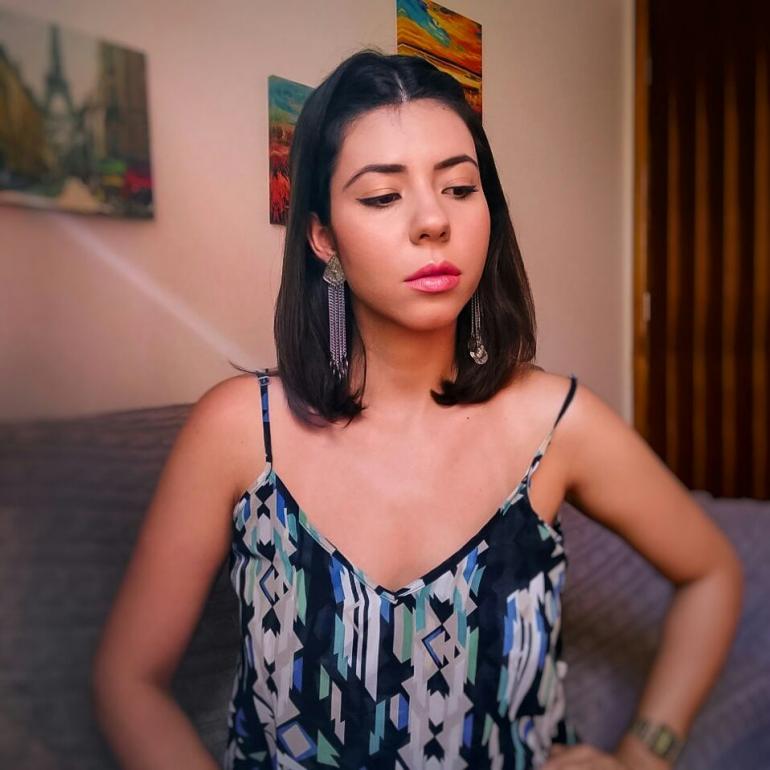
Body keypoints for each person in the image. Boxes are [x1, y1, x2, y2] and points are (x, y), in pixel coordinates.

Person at [90, 49, 744, 770]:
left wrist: (645, 754)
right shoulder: (241, 430)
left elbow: (712, 573)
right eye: (382, 196)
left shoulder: (558, 423)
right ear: (322, 236)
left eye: (460, 187)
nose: (433, 220)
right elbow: (129, 681)